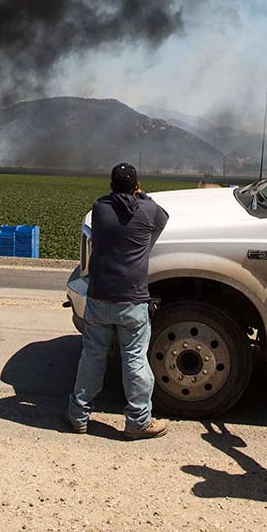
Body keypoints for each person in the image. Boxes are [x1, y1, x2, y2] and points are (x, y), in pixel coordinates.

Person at [65, 162, 170, 439]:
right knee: (134, 359)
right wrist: (142, 195)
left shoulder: (100, 209)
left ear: (111, 186)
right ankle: (137, 421)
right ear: (136, 186)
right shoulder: (148, 211)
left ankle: (78, 415)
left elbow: (110, 204)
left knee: (92, 356)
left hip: (99, 297)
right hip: (132, 299)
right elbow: (163, 217)